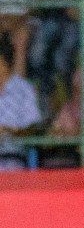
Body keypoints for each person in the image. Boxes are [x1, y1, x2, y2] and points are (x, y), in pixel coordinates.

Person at [0, 36, 42, 170]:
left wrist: (10, 131)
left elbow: (32, 126)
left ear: (4, 62)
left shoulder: (24, 89)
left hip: (14, 158)